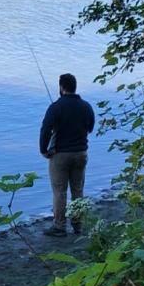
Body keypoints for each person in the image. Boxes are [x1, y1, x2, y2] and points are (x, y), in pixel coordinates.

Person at [39, 73, 95, 237]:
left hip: (60, 155)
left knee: (59, 191)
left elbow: (45, 130)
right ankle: (78, 225)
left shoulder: (56, 107)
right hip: (81, 153)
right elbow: (90, 127)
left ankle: (59, 227)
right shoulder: (86, 106)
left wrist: (43, 150)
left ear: (61, 87)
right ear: (74, 87)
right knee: (78, 189)